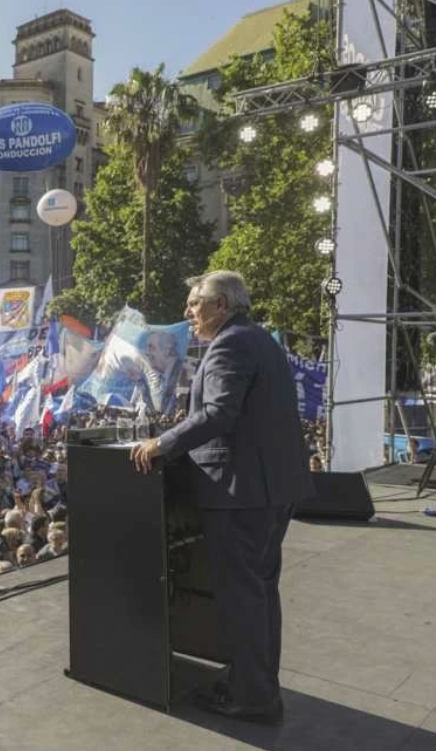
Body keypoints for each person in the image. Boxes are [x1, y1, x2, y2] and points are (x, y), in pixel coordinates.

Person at [131, 271, 314, 726]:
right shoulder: (258, 339)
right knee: (260, 594)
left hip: (240, 491)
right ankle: (254, 684)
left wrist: (161, 444)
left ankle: (253, 699)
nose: (188, 313)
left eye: (195, 303)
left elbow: (218, 413)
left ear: (221, 305)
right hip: (269, 489)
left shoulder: (230, 344)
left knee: (242, 599)